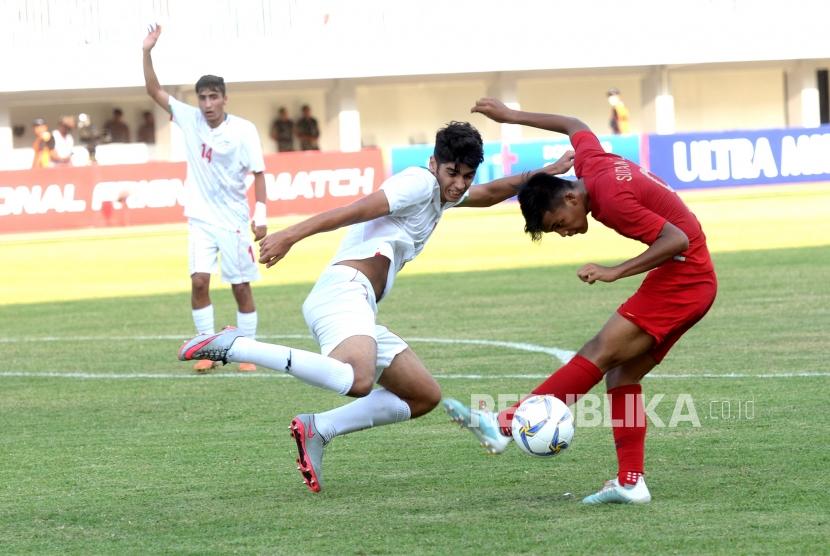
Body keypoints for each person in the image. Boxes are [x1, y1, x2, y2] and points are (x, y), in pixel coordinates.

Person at [178, 121, 576, 493]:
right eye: (452, 172)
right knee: (357, 379)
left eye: (467, 176)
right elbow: (355, 210)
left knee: (422, 396)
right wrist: (291, 235)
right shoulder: (418, 183)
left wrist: (542, 174)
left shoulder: (442, 194)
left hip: (359, 303)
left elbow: (489, 194)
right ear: (434, 162)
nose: (459, 184)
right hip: (343, 293)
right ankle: (235, 345)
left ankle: (318, 429)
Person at [443, 98, 717, 505]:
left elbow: (675, 239)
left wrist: (613, 271)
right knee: (621, 376)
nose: (565, 233)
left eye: (558, 225)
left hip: (685, 275)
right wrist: (512, 117)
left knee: (599, 351)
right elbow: (573, 123)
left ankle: (504, 425)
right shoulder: (590, 166)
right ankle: (630, 482)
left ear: (570, 199)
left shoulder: (612, 200)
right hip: (689, 276)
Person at [143, 24, 268, 373]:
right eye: (203, 97)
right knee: (199, 281)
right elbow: (153, 90)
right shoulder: (189, 118)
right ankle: (206, 348)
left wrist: (261, 214)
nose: (208, 104)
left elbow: (259, 173)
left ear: (225, 99)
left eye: (214, 97)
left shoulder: (244, 130)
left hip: (234, 222)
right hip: (200, 218)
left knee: (240, 287)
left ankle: (248, 352)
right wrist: (147, 52)